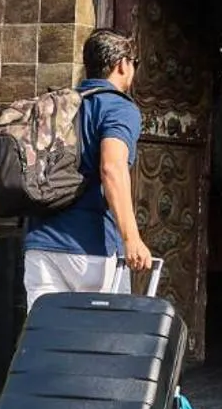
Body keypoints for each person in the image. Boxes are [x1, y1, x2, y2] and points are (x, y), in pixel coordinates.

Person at [22, 29, 152, 303]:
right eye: (134, 64)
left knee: (45, 340)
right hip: (91, 250)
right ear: (122, 64)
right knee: (100, 342)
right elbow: (112, 168)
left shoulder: (58, 106)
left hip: (41, 244)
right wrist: (131, 238)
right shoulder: (118, 108)